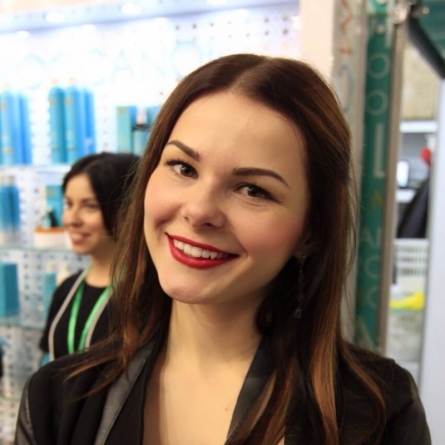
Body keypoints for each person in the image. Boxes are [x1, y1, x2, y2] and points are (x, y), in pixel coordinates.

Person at [15, 54, 430, 445]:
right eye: (183, 167)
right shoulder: (55, 399)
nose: (198, 211)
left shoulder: (377, 412)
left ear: (311, 232)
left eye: (253, 189)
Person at [39, 152, 139, 361]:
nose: (72, 219)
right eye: (69, 204)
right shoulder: (67, 290)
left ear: (128, 210)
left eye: (90, 206)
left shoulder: (146, 295)